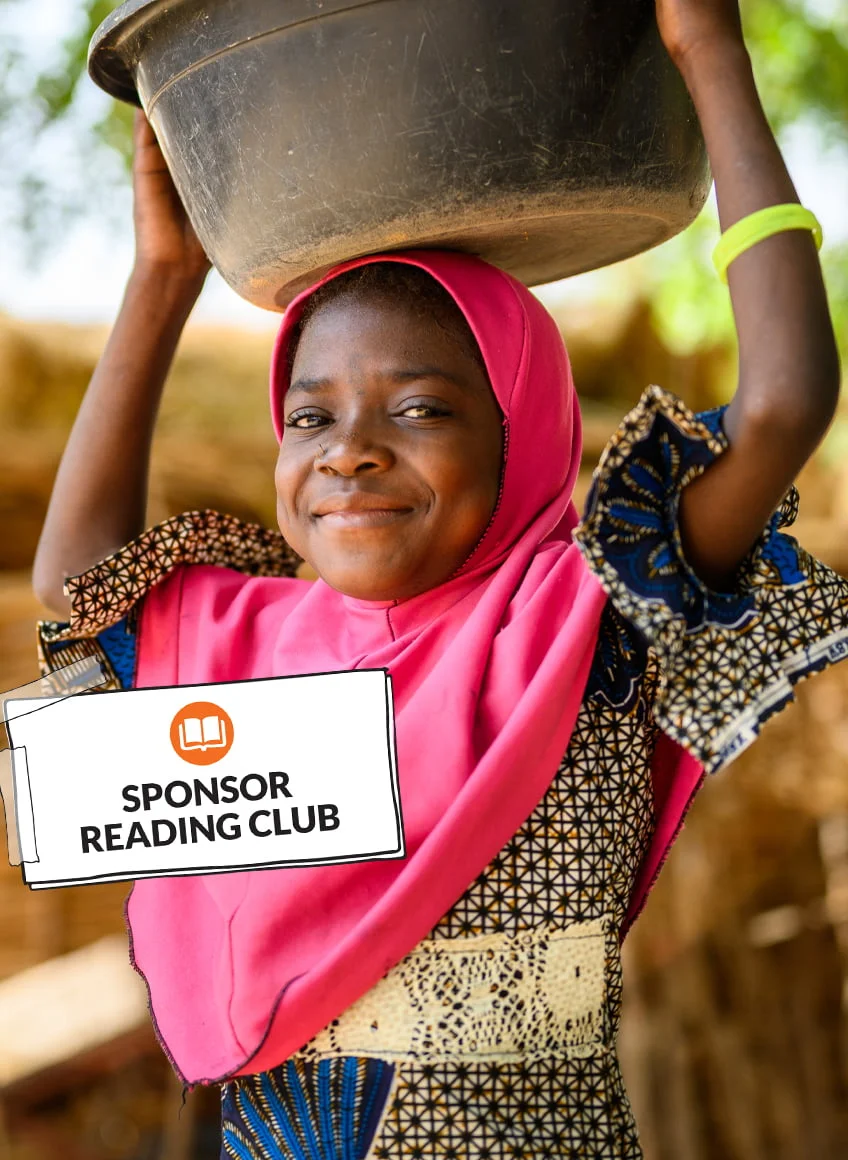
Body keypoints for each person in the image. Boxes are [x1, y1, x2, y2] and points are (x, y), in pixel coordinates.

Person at [30, 0, 847, 1156]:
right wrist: (162, 275)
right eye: (309, 414)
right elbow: (78, 595)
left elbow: (779, 404)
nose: (349, 449)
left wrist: (705, 55)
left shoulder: (592, 615)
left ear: (520, 431)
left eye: (418, 408)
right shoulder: (240, 637)